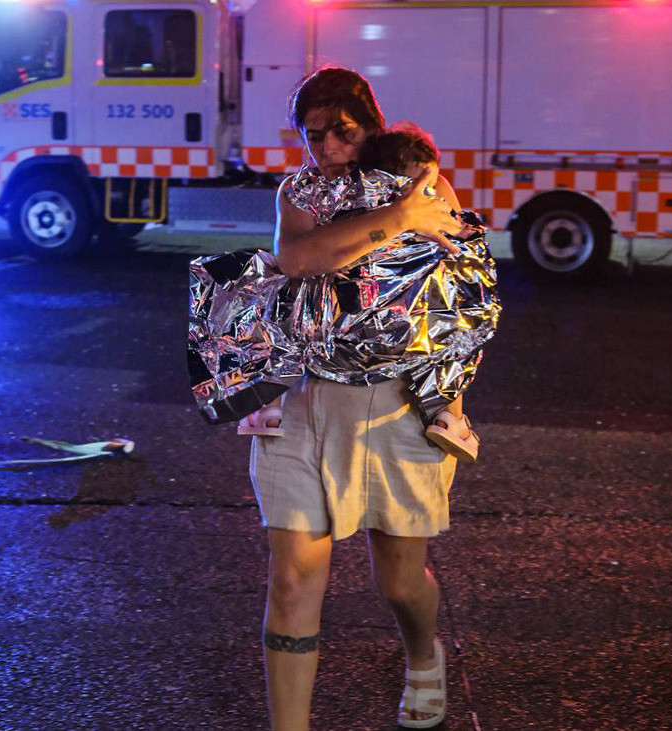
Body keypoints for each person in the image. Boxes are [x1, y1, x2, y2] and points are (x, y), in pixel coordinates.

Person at [251, 66, 465, 730]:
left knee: (399, 580)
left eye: (342, 133)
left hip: (396, 401)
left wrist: (451, 397)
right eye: (312, 135)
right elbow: (299, 259)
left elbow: (456, 283)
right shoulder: (299, 191)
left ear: (372, 125)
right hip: (303, 399)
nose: (327, 150)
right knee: (293, 580)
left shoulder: (422, 180)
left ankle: (423, 655)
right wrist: (397, 219)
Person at [239, 121, 483, 462]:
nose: (329, 148)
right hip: (410, 316)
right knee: (455, 333)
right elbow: (457, 237)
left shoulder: (347, 197)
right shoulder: (428, 196)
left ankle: (267, 405)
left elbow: (303, 258)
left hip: (340, 313)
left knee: (270, 306)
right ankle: (449, 417)